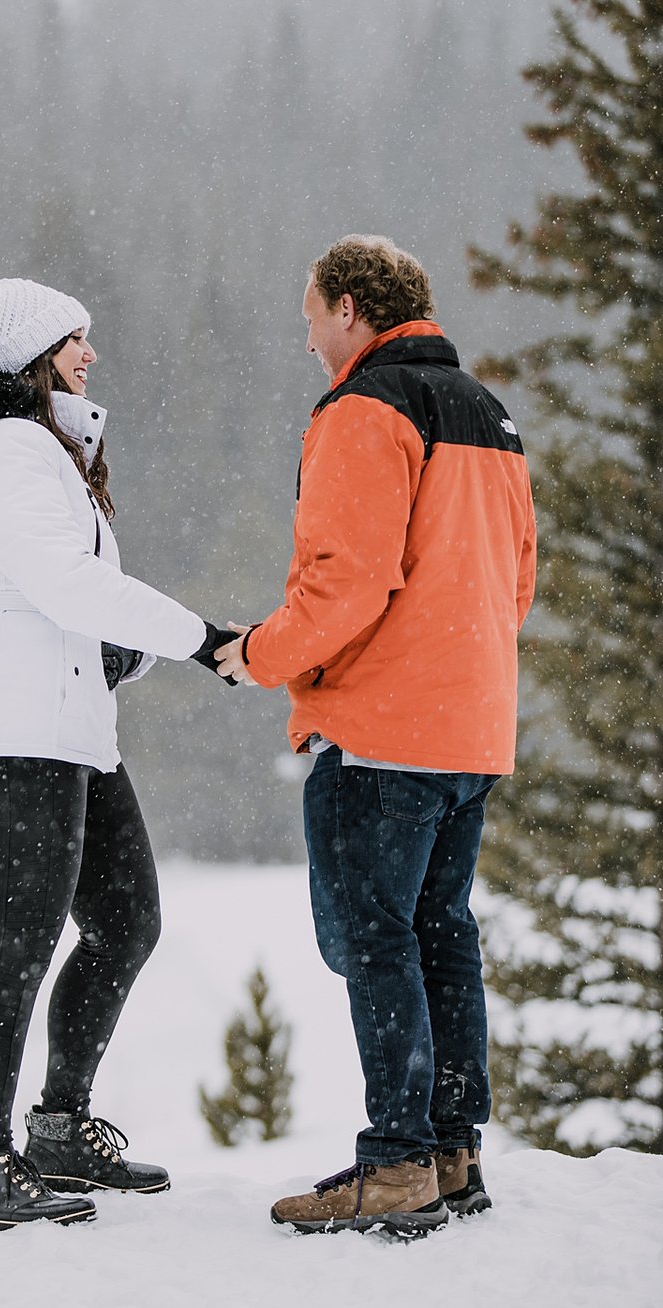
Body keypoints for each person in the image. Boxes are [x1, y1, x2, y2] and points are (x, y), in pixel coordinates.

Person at [0, 277, 233, 1232]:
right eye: (75, 339)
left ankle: (57, 1126)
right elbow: (62, 584)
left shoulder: (35, 447)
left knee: (125, 919)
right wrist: (200, 636)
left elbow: (67, 598)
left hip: (65, 721)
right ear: (32, 354)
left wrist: (124, 644)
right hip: (10, 721)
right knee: (17, 943)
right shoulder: (7, 446)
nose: (90, 354)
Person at [214, 235, 536, 1238]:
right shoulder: (488, 413)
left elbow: (345, 580)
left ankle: (395, 1162)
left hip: (382, 731)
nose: (307, 338)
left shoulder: (365, 406)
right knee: (441, 935)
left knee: (371, 940)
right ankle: (450, 1150)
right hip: (471, 728)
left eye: (311, 315)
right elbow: (515, 581)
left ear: (349, 308)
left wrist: (260, 656)